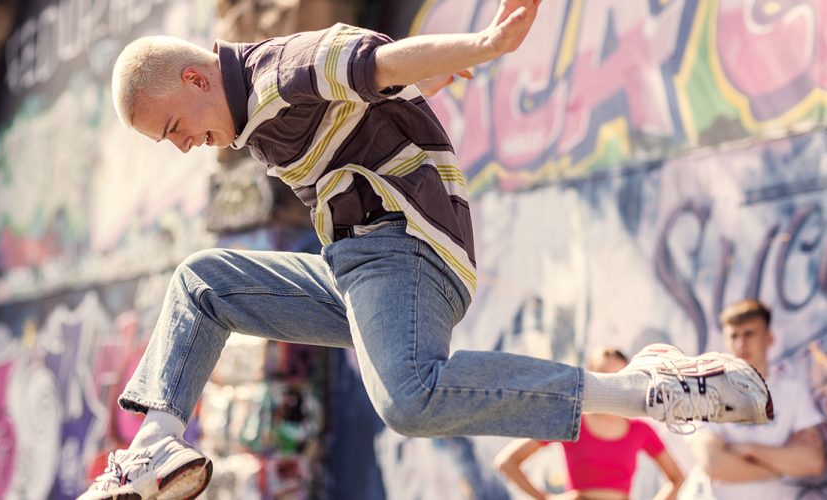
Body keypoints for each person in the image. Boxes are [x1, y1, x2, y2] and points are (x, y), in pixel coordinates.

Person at [80, 1, 774, 498]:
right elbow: (379, 97)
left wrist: (483, 46)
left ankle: (650, 391)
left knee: (409, 400)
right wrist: (428, 87)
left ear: (198, 79)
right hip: (356, 271)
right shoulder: (252, 120)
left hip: (404, 250)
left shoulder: (279, 70)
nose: (182, 144)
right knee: (202, 281)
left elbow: (373, 63)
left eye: (174, 126)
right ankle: (153, 444)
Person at [679, 299, 824, 499]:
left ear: (769, 338)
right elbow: (714, 464)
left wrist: (747, 449)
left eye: (749, 334)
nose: (741, 344)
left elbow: (813, 462)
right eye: (734, 336)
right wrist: (782, 465)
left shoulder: (793, 393)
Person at [495, 347, 685, 500]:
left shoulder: (641, 431)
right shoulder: (570, 421)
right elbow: (507, 462)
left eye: (618, 377)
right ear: (590, 378)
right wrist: (547, 498)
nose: (612, 386)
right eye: (604, 376)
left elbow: (677, 478)